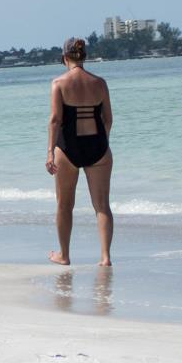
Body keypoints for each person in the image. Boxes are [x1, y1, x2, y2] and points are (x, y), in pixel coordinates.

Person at [46, 37, 113, 266]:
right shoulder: (100, 83)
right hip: (98, 146)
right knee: (102, 205)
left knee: (64, 204)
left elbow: (55, 121)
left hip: (68, 149)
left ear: (65, 57)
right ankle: (105, 257)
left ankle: (64, 255)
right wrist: (102, 144)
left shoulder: (59, 84)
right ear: (84, 56)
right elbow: (107, 119)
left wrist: (48, 152)